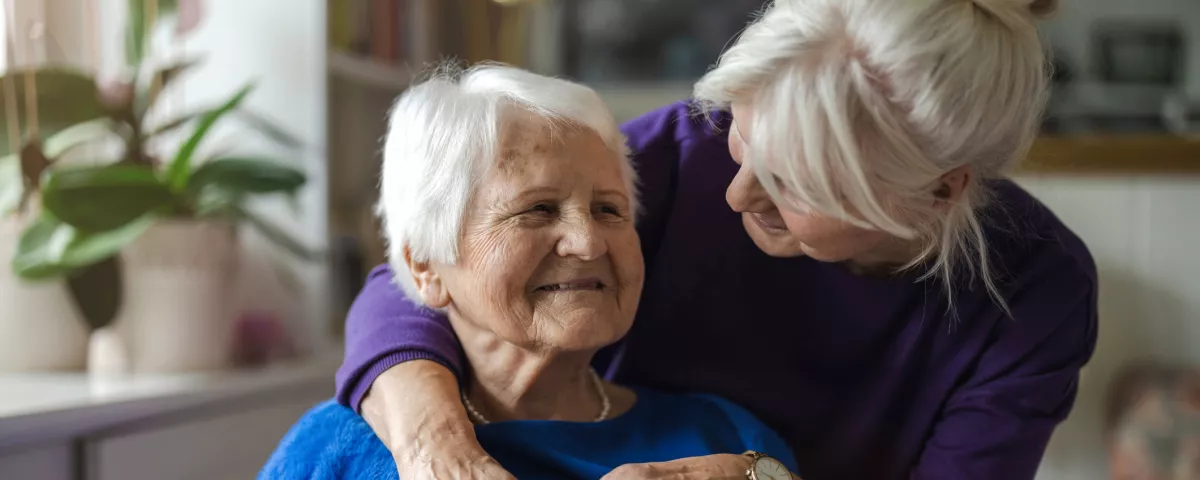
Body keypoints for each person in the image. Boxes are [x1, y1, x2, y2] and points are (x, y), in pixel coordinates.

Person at [336, 0, 1099, 478]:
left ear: (941, 190)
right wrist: (435, 447)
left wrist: (759, 477)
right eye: (744, 139)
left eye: (796, 184)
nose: (736, 195)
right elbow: (428, 270)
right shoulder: (687, 151)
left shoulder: (1037, 288)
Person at [259, 64, 800, 480]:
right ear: (425, 266)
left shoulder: (729, 438)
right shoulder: (339, 448)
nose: (588, 242)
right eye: (536, 209)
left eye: (609, 210)